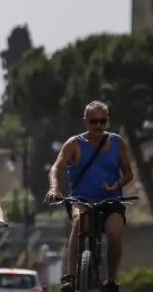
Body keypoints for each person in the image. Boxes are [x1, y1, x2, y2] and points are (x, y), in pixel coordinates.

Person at [45, 101, 134, 292]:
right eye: (94, 121)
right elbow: (56, 168)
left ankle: (110, 280)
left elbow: (128, 173)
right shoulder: (74, 143)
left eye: (103, 121)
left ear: (107, 122)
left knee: (114, 232)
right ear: (85, 122)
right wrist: (54, 188)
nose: (99, 126)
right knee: (78, 222)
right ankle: (70, 276)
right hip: (81, 199)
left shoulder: (117, 142)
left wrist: (117, 184)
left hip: (111, 200)